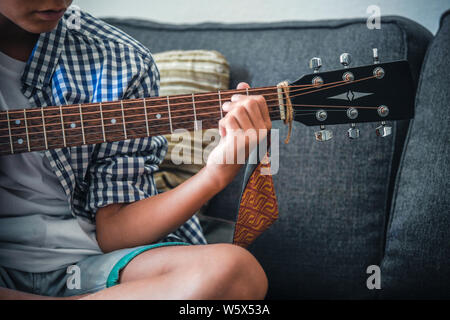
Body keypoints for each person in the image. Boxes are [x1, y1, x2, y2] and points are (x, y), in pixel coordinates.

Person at [0, 0, 270, 299]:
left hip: (94, 265)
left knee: (235, 273)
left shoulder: (121, 59)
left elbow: (114, 232)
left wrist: (215, 175)